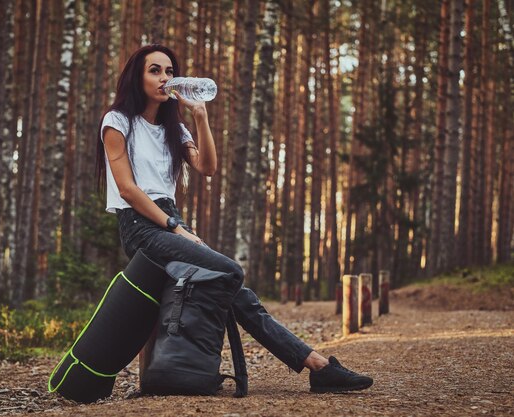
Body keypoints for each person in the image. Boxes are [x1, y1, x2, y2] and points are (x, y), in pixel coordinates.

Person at [96, 44, 373, 394]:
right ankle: (300, 365)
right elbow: (127, 190)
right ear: (136, 76)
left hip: (171, 220)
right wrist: (176, 228)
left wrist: (201, 117)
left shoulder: (174, 129)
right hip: (142, 227)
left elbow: (207, 168)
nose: (165, 78)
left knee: (240, 295)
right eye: (154, 70)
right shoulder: (117, 121)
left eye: (169, 71)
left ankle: (317, 366)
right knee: (230, 270)